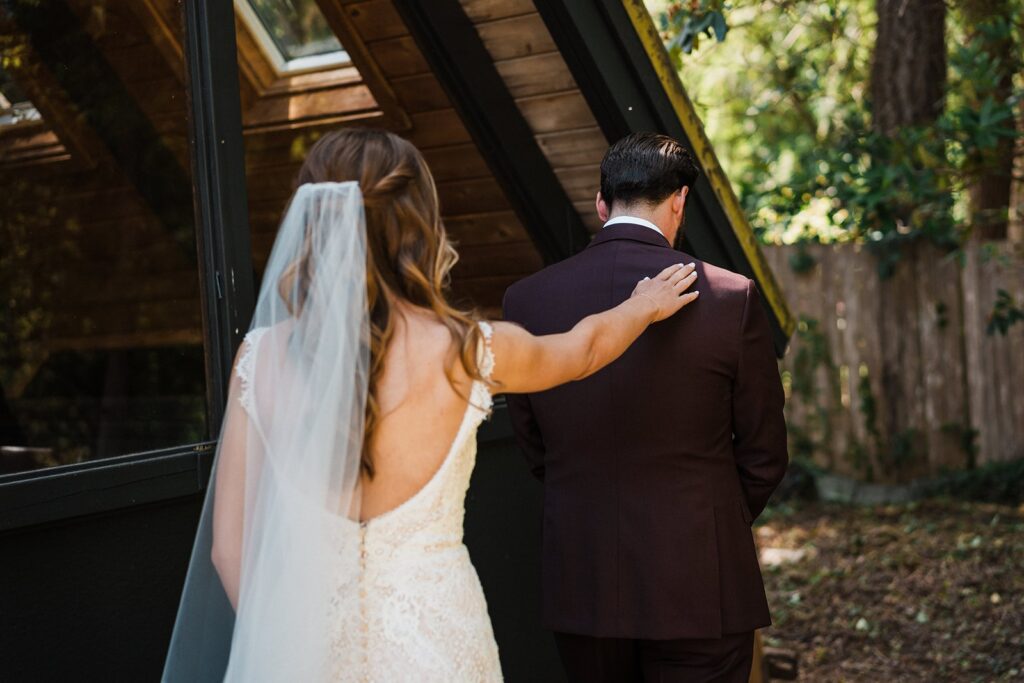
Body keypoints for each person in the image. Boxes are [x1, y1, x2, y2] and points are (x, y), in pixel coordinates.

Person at [162, 128, 699, 682]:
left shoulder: (261, 358)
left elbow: (229, 550)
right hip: (438, 644)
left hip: (304, 652)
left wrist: (286, 647)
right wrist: (643, 306)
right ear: (419, 222)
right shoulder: (469, 349)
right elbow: (584, 348)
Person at [503, 132, 789, 683]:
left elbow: (534, 444)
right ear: (679, 200)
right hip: (700, 583)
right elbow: (764, 454)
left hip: (582, 578)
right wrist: (705, 524)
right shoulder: (730, 296)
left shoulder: (526, 300)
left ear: (601, 204)